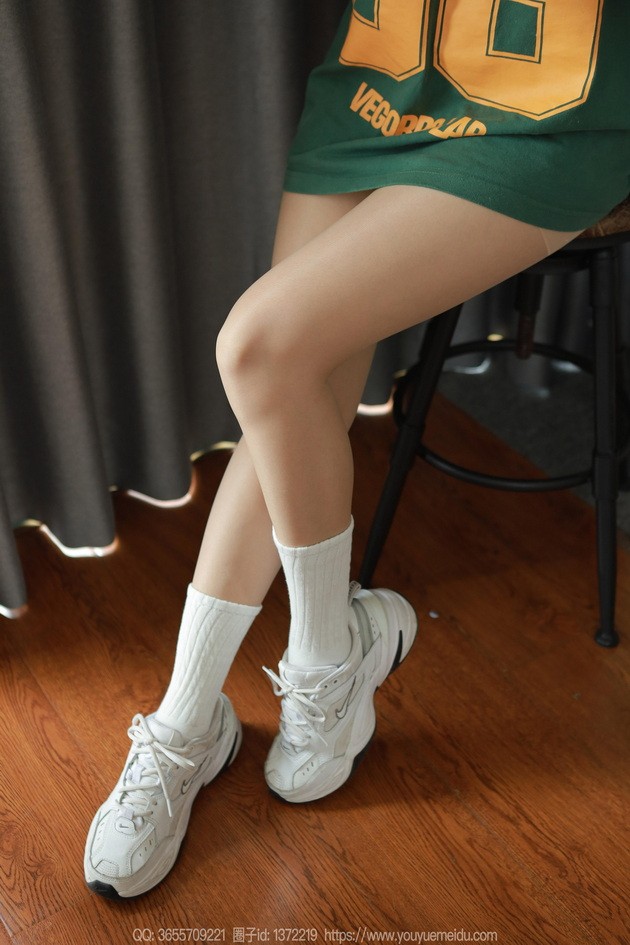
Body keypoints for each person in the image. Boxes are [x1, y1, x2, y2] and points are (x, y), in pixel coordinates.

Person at [84, 0, 630, 899]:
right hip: (385, 75)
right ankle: (196, 721)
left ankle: (314, 667)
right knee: (285, 388)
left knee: (258, 348)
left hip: (547, 105)